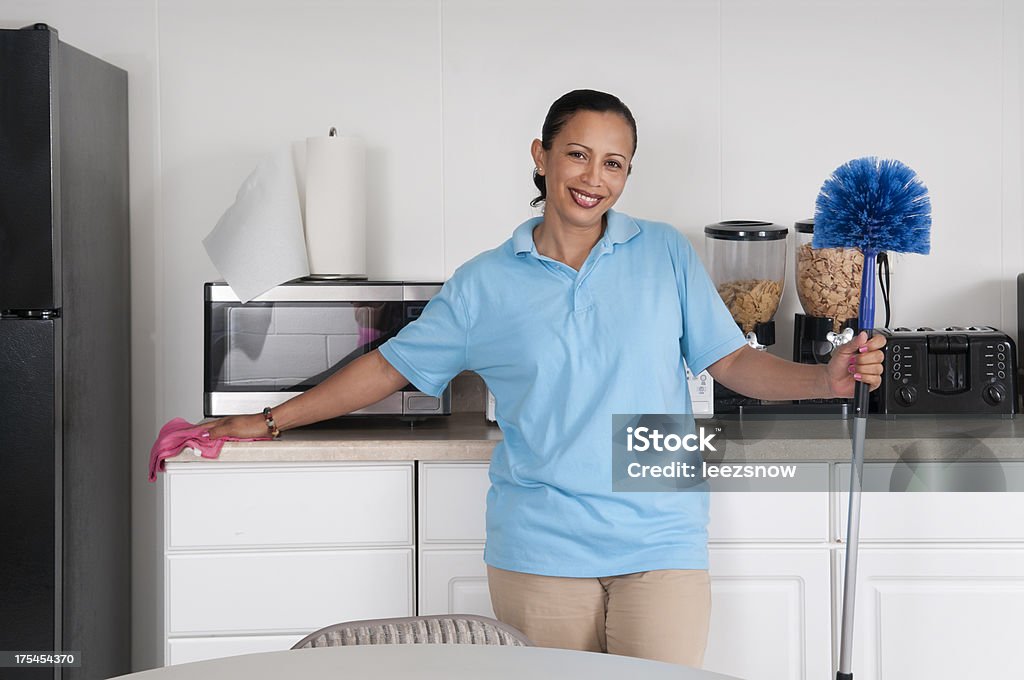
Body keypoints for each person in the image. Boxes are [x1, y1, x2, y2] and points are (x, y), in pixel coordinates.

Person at [204, 89, 886, 667]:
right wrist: (266, 420)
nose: (595, 177)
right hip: (540, 549)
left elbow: (732, 360)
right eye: (579, 154)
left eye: (614, 163)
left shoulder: (664, 255)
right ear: (542, 156)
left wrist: (824, 381)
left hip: (661, 540)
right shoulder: (484, 284)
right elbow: (389, 368)